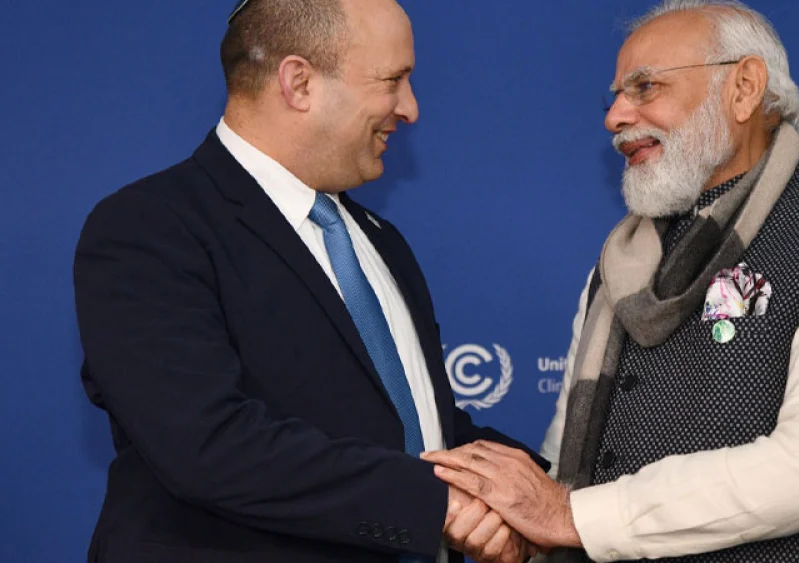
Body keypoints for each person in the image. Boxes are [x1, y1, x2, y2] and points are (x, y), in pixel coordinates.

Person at [422, 1, 799, 561]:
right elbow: (566, 472)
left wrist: (567, 516)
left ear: (744, 88)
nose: (614, 116)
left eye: (644, 87)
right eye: (615, 95)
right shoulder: (618, 267)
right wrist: (525, 536)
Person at [73, 1, 543, 562]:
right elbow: (208, 445)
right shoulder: (149, 226)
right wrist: (437, 506)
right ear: (298, 83)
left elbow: (423, 432)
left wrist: (553, 501)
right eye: (393, 80)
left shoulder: (379, 239)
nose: (410, 108)